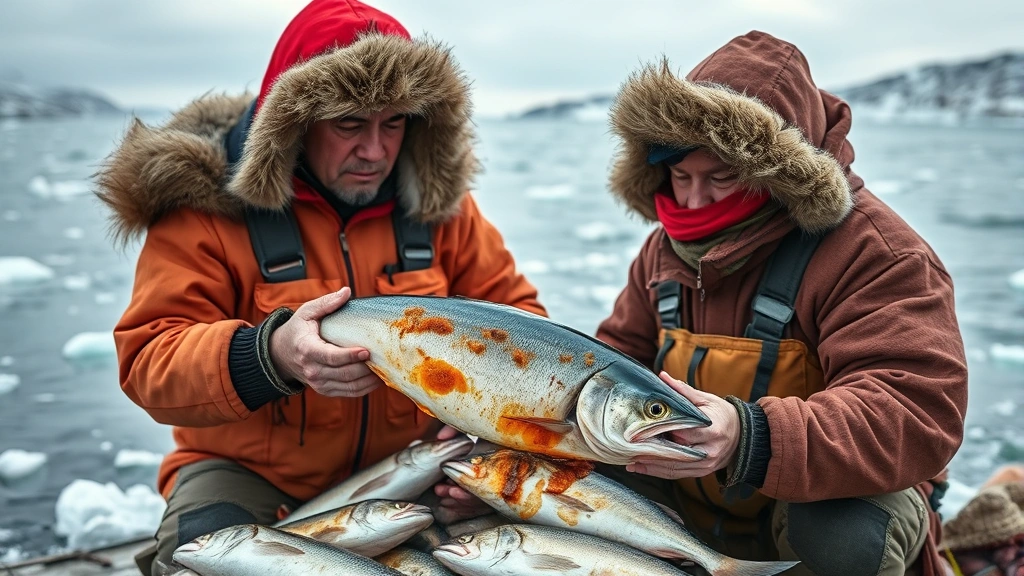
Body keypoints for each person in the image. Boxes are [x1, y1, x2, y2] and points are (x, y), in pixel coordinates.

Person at [95, 1, 544, 573]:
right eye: (350, 124)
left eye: (395, 123)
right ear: (294, 122)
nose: (376, 151)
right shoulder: (202, 213)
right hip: (250, 476)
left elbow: (520, 324)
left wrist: (475, 435)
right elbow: (149, 358)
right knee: (198, 565)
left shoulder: (443, 213)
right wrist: (272, 355)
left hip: (417, 463)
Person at [595, 31, 968, 576]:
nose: (693, 201)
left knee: (844, 532)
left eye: (720, 178)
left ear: (777, 174)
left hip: (811, 512)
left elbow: (915, 410)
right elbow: (615, 355)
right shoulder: (662, 251)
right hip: (689, 501)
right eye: (679, 177)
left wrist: (751, 435)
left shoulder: (878, 253)